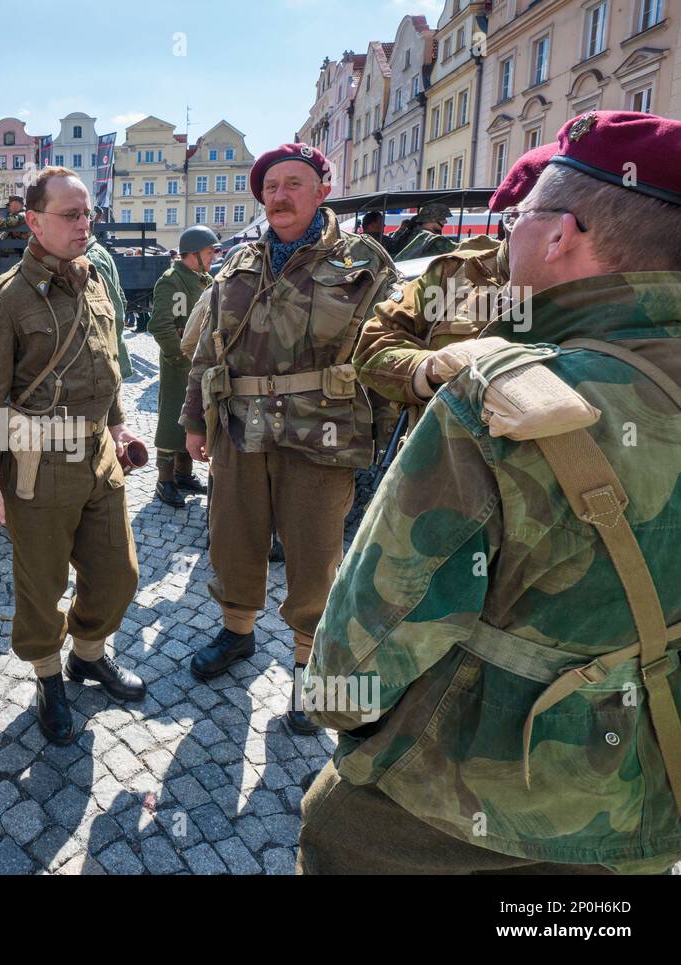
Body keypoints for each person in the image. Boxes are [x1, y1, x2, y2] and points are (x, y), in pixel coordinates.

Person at [299, 110, 681, 875]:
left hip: (460, 810)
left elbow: (353, 668)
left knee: (336, 819)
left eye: (522, 217)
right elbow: (377, 344)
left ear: (560, 234)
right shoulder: (457, 283)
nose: (507, 236)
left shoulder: (497, 404)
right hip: (648, 802)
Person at [180, 143, 395, 733]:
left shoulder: (365, 264)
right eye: (271, 187)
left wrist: (384, 435)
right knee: (234, 538)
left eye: (294, 184)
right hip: (240, 430)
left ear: (323, 191)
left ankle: (308, 664)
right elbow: (207, 351)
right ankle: (237, 632)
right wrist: (195, 422)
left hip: (322, 435)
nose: (280, 196)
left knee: (314, 553)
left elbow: (388, 351)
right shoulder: (236, 264)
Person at [0, 166, 146, 745]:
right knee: (41, 588)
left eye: (88, 213)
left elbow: (106, 364)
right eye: (70, 214)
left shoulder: (94, 280)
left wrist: (117, 425)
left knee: (118, 574)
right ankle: (47, 677)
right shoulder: (6, 298)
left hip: (98, 457)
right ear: (34, 221)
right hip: (38, 467)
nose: (83, 223)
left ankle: (87, 655)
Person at [354, 144, 555, 428]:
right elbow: (373, 345)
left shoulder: (599, 289)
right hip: (441, 446)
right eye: (544, 217)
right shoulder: (455, 272)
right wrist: (430, 369)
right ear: (511, 219)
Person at [149, 225, 215, 508]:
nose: (214, 257)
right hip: (178, 365)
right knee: (171, 420)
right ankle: (164, 479)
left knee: (192, 417)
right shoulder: (171, 281)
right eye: (209, 252)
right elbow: (161, 326)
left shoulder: (204, 280)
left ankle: (183, 474)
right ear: (194, 253)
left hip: (198, 364)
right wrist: (182, 357)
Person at [83, 228, 131, 381]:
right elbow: (120, 297)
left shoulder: (92, 258)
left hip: (106, 352)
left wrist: (110, 344)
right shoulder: (98, 250)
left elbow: (113, 308)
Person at [383, 202, 454, 260]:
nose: (445, 222)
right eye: (442, 219)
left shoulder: (413, 234)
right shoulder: (427, 238)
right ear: (431, 219)